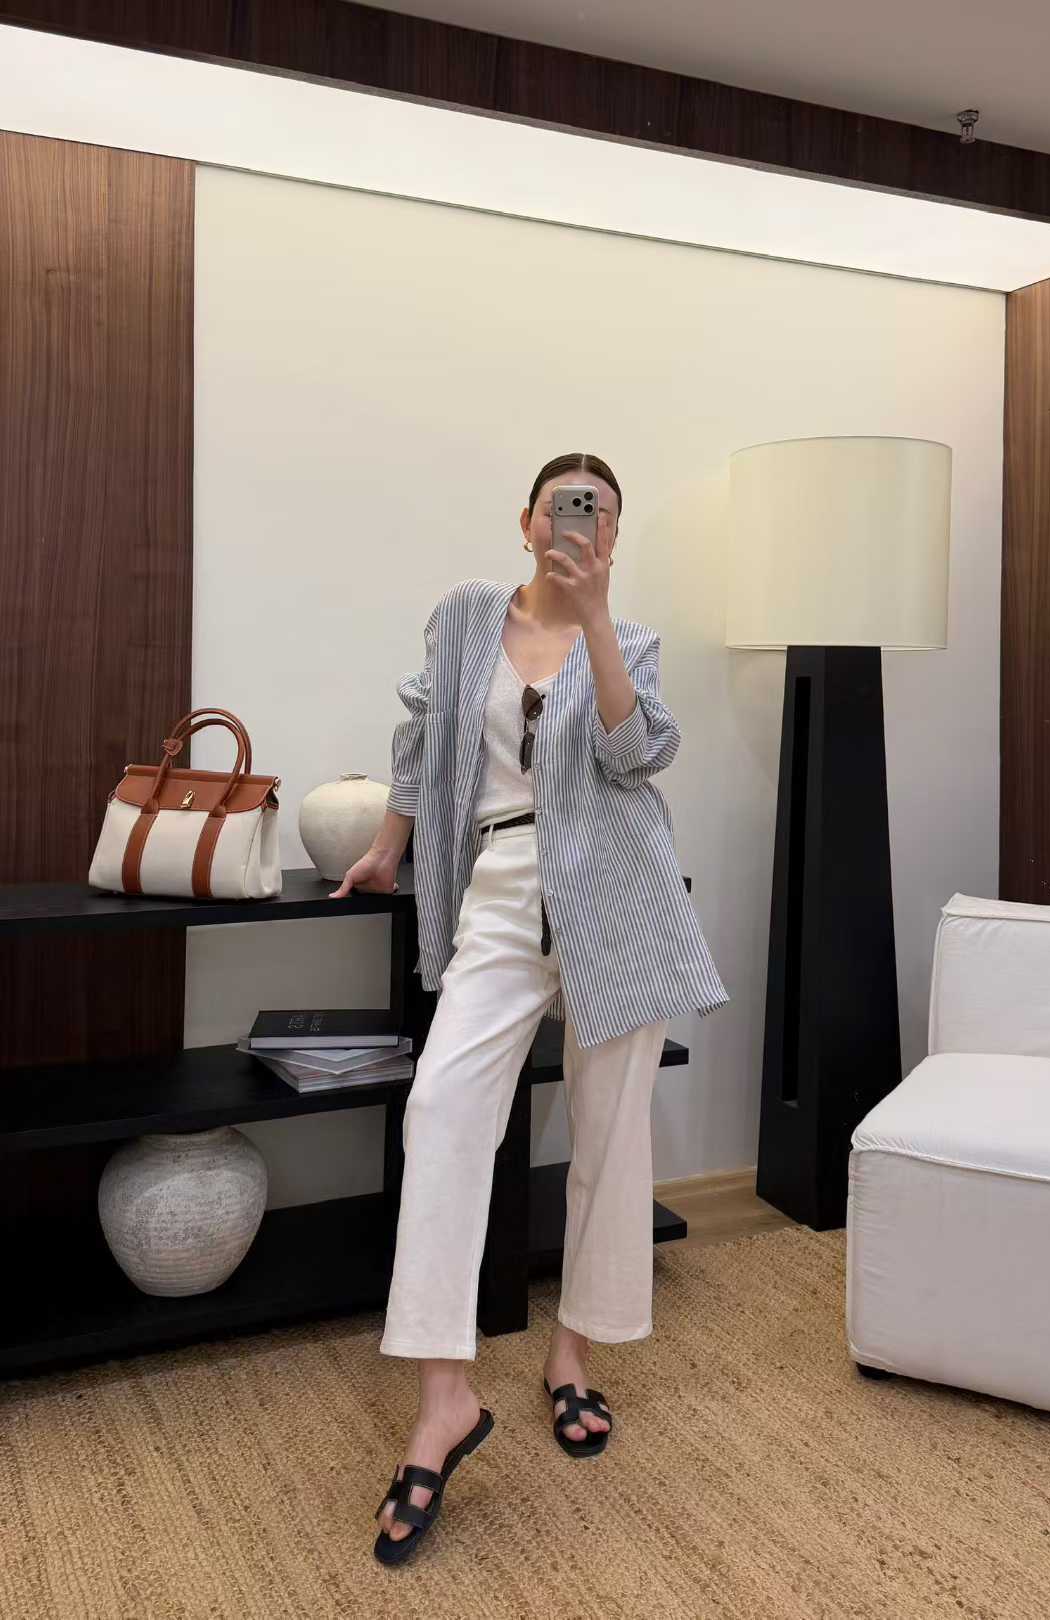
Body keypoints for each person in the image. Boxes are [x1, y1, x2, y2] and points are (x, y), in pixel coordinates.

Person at [331, 452, 730, 1565]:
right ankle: (444, 1401)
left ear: (614, 536)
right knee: (442, 1112)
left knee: (610, 1137)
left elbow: (634, 754)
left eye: (599, 515)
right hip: (504, 885)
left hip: (618, 888)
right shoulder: (466, 619)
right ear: (526, 522)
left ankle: (572, 1358)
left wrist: (596, 619)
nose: (579, 525)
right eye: (564, 508)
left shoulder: (629, 638)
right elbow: (420, 742)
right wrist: (388, 847)